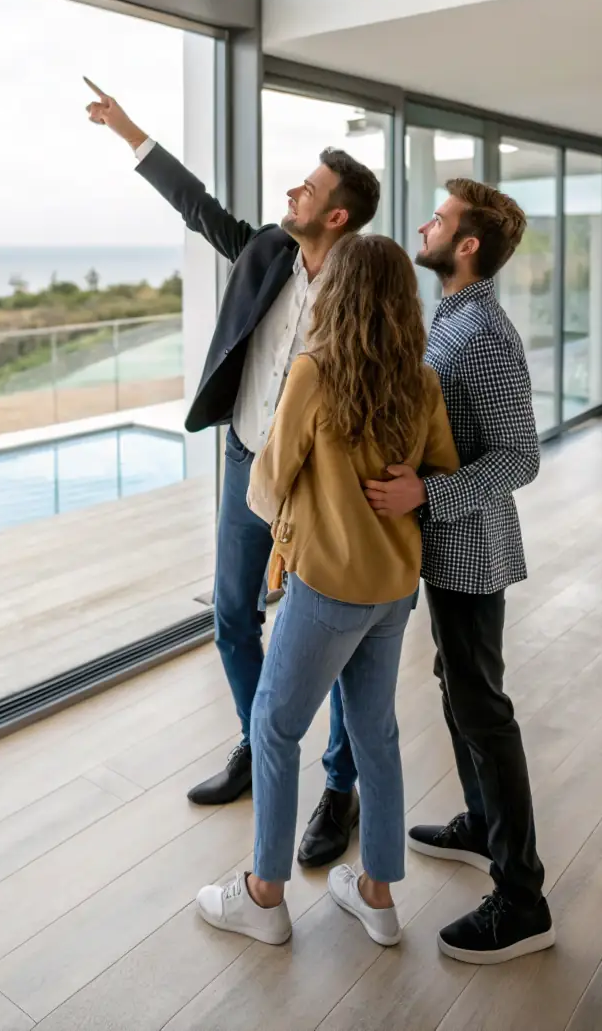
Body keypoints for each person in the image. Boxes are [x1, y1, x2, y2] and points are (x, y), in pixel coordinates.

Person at [84, 78, 380, 805]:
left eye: (307, 190)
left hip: (318, 482)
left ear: (336, 215)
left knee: (335, 640)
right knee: (230, 616)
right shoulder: (264, 252)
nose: (293, 193)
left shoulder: (365, 292)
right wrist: (129, 130)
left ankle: (339, 787)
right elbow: (197, 207)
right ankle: (259, 745)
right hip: (247, 459)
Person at [302, 177, 556, 965]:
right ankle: (481, 824)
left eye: (440, 218)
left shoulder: (484, 331)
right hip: (439, 551)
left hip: (471, 551)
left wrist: (426, 491)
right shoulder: (449, 319)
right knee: (456, 687)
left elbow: (522, 455)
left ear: (467, 244)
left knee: (484, 707)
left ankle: (522, 898)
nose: (426, 223)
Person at [195, 234, 459, 946]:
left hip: (327, 588)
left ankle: (263, 895)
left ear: (339, 295)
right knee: (376, 733)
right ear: (402, 301)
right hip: (393, 589)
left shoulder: (314, 372)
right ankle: (377, 894)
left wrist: (291, 511)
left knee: (274, 726)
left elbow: (267, 479)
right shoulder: (423, 380)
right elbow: (436, 475)